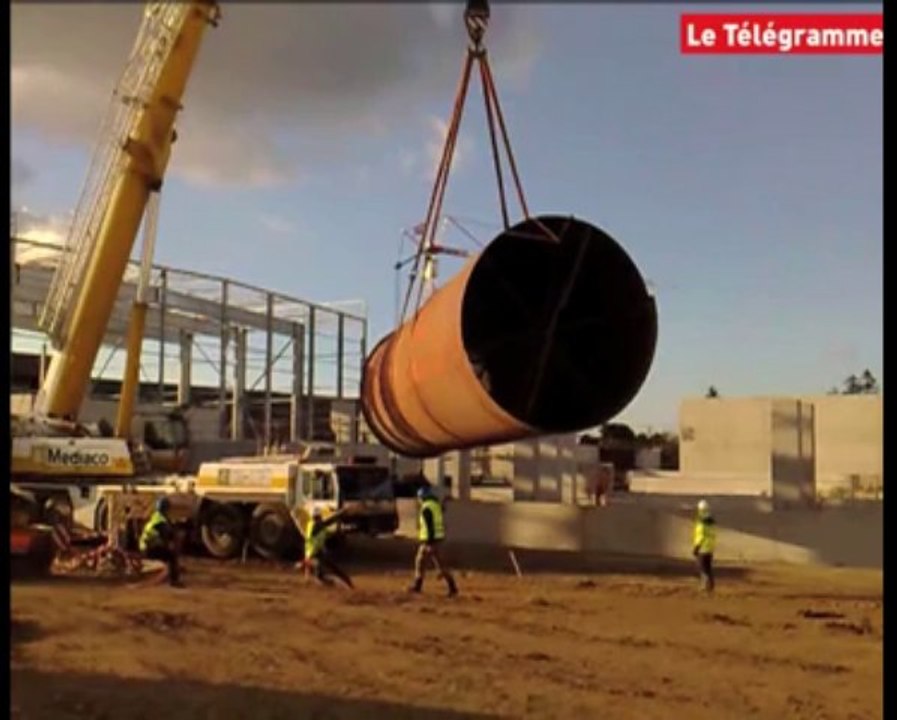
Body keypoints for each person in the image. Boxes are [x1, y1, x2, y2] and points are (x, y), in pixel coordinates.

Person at [409, 486, 458, 597]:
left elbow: (430, 526)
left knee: (437, 565)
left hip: (430, 541)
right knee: (421, 562)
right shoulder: (435, 505)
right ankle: (418, 586)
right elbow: (441, 510)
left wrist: (429, 543)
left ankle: (452, 587)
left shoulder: (426, 508)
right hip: (435, 539)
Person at [303, 506, 354, 589]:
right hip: (313, 555)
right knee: (322, 574)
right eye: (318, 517)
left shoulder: (318, 527)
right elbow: (329, 521)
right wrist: (341, 512)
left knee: (327, 571)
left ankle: (344, 583)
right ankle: (337, 583)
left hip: (317, 553)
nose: (319, 519)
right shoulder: (315, 526)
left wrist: (347, 529)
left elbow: (329, 532)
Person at [138, 496, 183, 588]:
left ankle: (173, 570)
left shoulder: (156, 516)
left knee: (169, 552)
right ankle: (174, 581)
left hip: (144, 547)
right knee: (171, 556)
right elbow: (167, 538)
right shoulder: (160, 521)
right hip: (148, 549)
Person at [692, 499, 717, 593]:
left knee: (703, 568)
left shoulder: (701, 521)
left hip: (702, 548)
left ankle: (705, 586)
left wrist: (696, 547)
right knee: (708, 568)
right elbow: (713, 535)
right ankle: (711, 585)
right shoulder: (712, 521)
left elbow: (700, 535)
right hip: (710, 548)